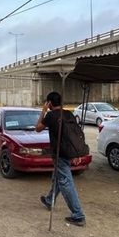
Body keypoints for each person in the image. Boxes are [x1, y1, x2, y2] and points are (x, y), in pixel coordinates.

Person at [35, 91, 85, 226]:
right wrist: (76, 154)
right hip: (70, 151)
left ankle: (78, 215)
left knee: (66, 182)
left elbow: (37, 128)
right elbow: (75, 134)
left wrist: (43, 111)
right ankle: (49, 200)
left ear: (49, 103)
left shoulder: (51, 115)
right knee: (57, 177)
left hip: (60, 154)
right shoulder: (68, 114)